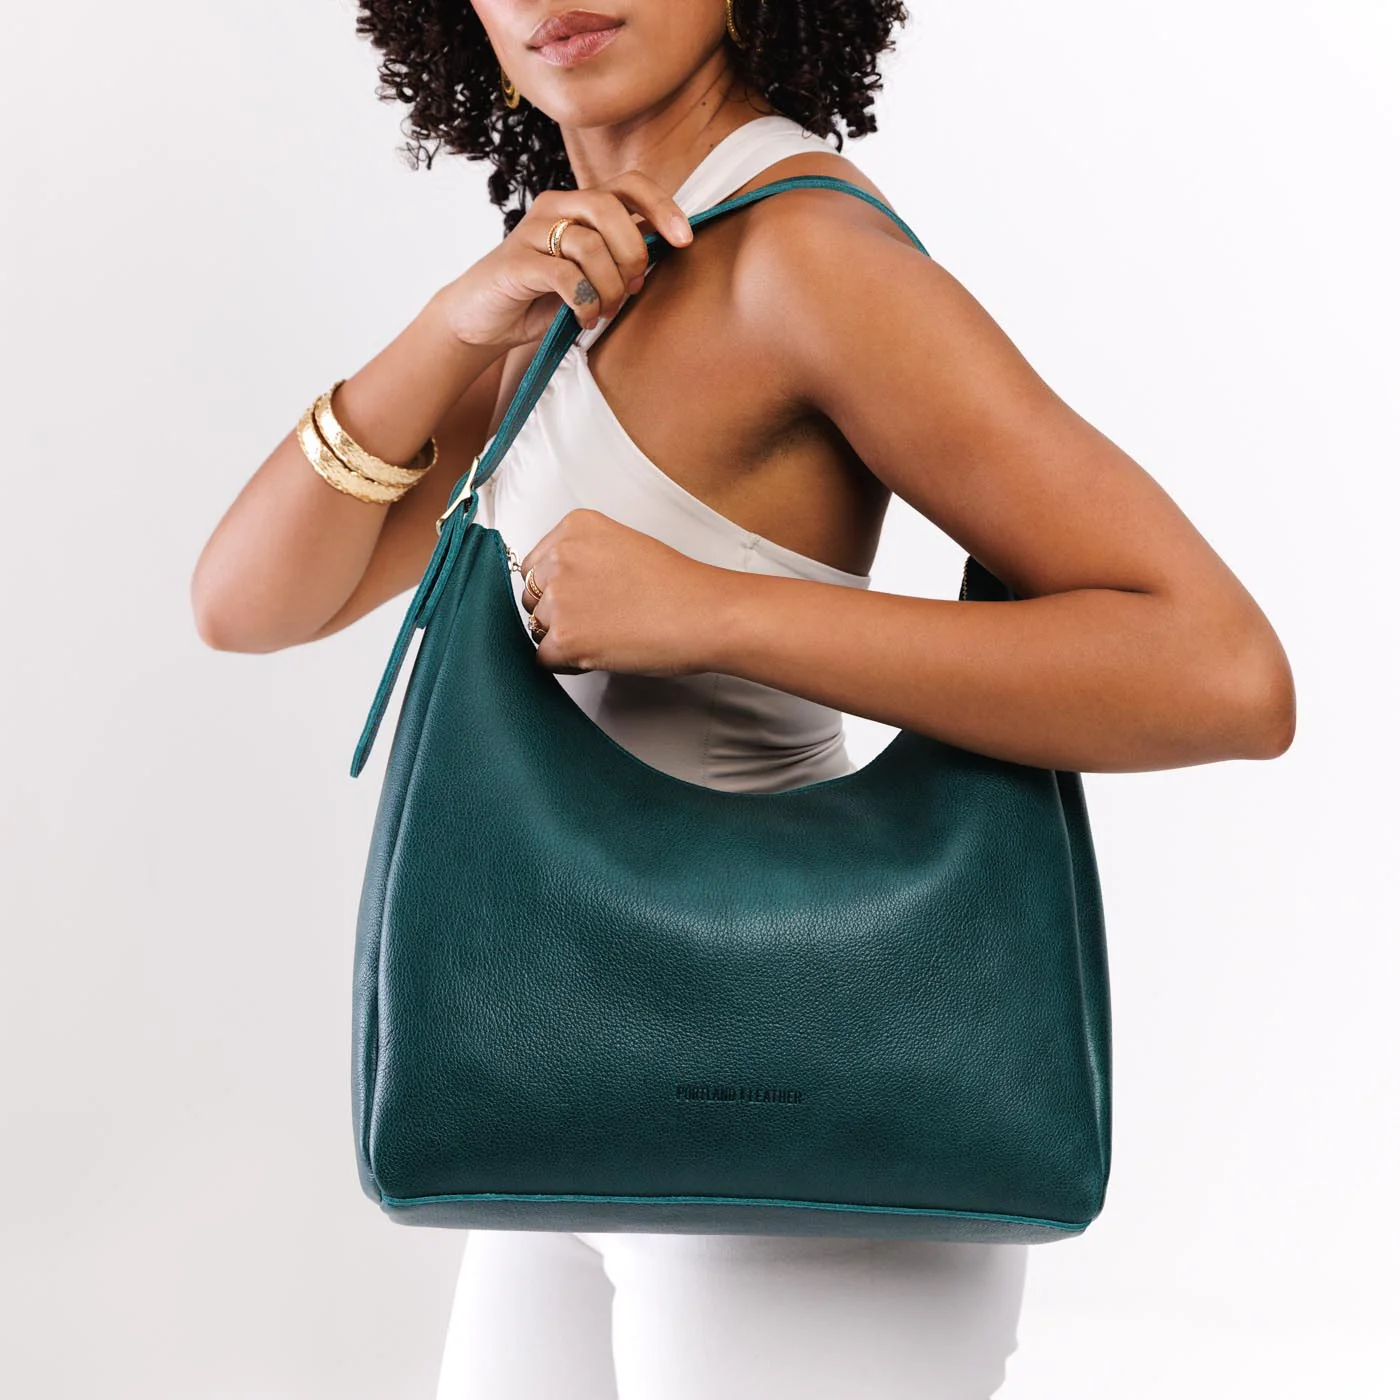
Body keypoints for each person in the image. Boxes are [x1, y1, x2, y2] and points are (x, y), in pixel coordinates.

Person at [190, 2, 1296, 1396]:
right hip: (567, 1061)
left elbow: (1225, 674)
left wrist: (716, 612)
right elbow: (247, 604)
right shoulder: (576, 285)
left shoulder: (806, 262)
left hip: (797, 1073)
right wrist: (446, 328)